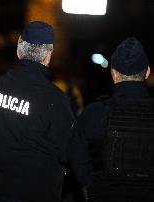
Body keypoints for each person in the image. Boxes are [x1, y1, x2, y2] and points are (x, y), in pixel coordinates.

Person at [0, 21, 74, 202]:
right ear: (48, 56)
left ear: (19, 50)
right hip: (38, 191)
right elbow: (67, 150)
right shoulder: (55, 99)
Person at [70, 37, 154, 202]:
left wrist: (92, 186)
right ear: (148, 72)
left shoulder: (93, 114)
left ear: (113, 73)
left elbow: (75, 158)